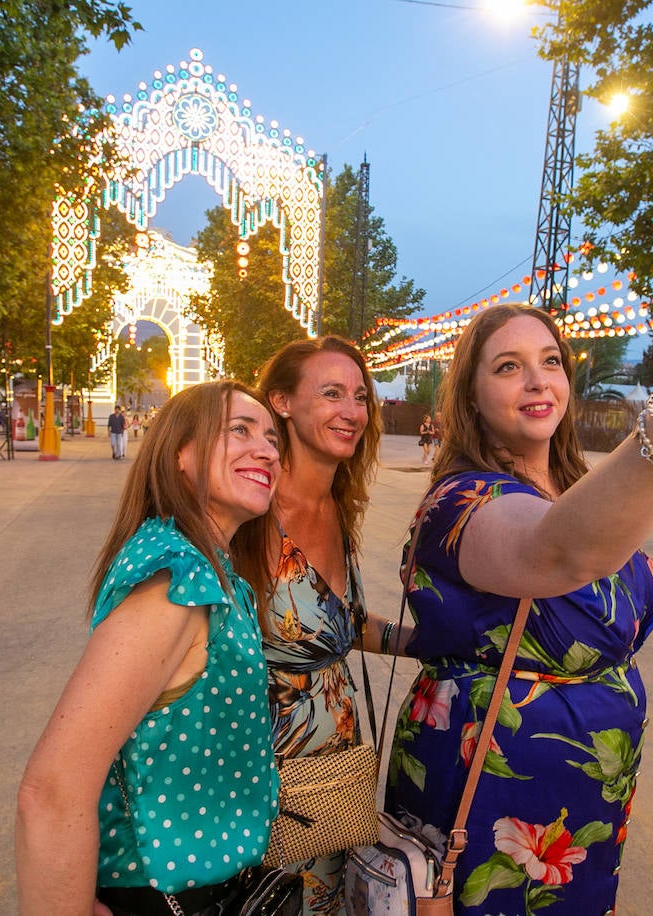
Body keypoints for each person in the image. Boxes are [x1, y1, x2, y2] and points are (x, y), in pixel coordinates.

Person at [384, 212, 653, 914]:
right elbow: (558, 551)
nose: (537, 378)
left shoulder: (582, 491)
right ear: (472, 396)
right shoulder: (462, 501)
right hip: (486, 805)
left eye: (550, 360)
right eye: (507, 367)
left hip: (586, 802)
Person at [16, 380, 283, 916]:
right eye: (239, 430)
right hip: (163, 896)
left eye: (273, 439)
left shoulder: (207, 568)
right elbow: (52, 791)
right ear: (180, 453)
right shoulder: (178, 583)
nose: (267, 450)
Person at [256, 335, 407, 914]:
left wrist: (430, 644)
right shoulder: (251, 512)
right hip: (264, 783)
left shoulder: (337, 506)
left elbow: (340, 625)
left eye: (360, 396)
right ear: (282, 402)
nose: (351, 411)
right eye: (330, 393)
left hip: (335, 784)